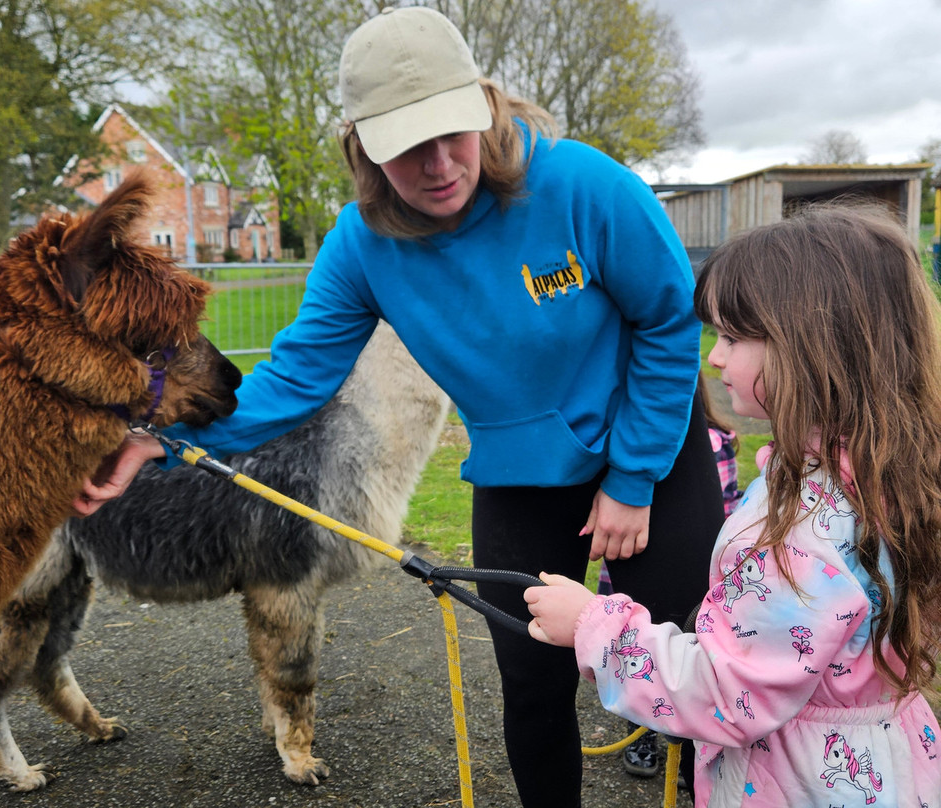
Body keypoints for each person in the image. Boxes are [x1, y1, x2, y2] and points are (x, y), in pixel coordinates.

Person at [74, 8, 725, 806]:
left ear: (483, 104)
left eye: (453, 130)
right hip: (520, 470)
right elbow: (295, 378)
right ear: (363, 146)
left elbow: (667, 319)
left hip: (649, 452)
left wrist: (631, 475)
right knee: (530, 681)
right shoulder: (360, 246)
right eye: (407, 145)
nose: (440, 162)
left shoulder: (588, 188)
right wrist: (158, 436)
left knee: (693, 661)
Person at [525, 204, 941, 807]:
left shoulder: (799, 534)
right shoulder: (892, 475)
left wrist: (595, 628)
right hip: (887, 759)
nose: (714, 358)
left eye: (734, 336)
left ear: (813, 348)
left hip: (798, 781)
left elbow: (727, 693)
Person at [600, 372, 744, 780]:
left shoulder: (716, 442)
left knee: (671, 650)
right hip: (642, 562)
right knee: (646, 649)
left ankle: (682, 744)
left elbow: (728, 502)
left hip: (697, 563)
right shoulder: (639, 445)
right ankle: (643, 732)